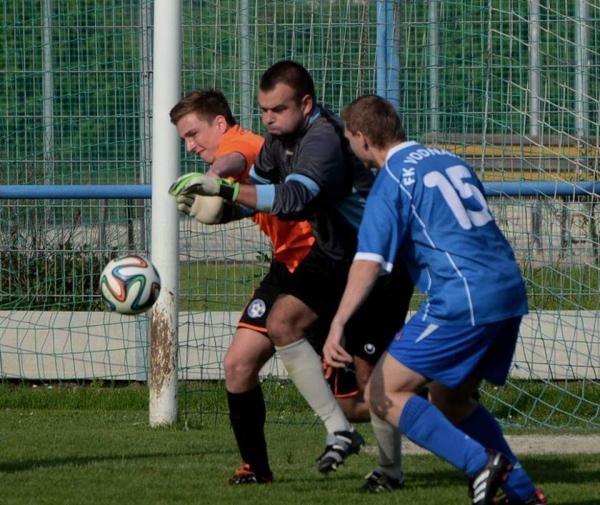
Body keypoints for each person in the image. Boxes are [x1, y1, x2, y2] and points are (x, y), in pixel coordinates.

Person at [168, 61, 412, 482]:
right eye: (263, 110)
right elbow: (256, 187)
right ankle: (332, 435)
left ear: (305, 103)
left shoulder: (313, 139)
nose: (268, 120)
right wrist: (219, 212)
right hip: (332, 257)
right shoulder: (277, 140)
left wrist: (217, 182)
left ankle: (401, 449)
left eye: (277, 110)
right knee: (269, 337)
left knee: (371, 390)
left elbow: (291, 194)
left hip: (376, 263)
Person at [323, 95, 547, 505]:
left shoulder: (390, 182)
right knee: (450, 397)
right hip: (508, 289)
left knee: (381, 394)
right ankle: (523, 494)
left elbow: (368, 263)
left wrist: (337, 324)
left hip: (462, 298)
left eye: (349, 140)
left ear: (360, 137)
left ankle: (479, 463)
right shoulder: (449, 160)